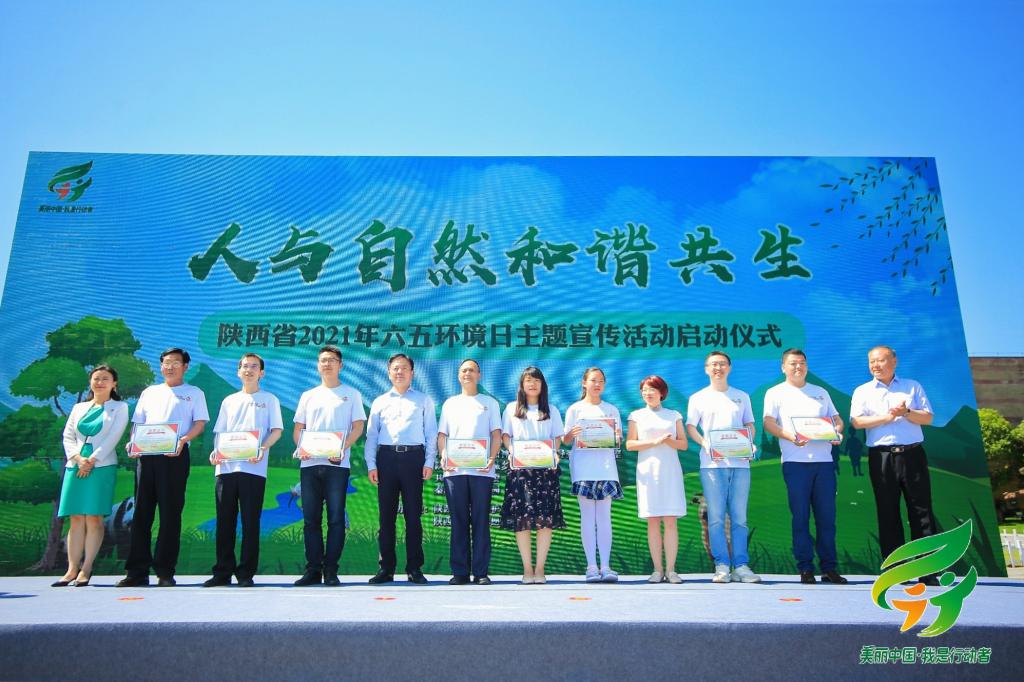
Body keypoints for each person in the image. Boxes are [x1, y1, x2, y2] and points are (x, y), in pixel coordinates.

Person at [118, 348, 209, 587]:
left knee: (170, 514)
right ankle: (137, 572)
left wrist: (183, 440)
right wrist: (132, 442)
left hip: (175, 456)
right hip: (146, 457)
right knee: (141, 513)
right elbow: (138, 424)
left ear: (185, 367)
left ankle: (165, 571)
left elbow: (199, 424)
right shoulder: (149, 392)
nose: (170, 367)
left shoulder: (194, 393)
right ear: (161, 366)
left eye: (175, 363)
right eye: (166, 362)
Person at [849, 345, 938, 585]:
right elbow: (857, 422)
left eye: (880, 360)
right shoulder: (863, 391)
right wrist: (887, 417)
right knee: (887, 512)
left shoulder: (912, 386)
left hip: (913, 454)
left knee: (921, 511)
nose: (875, 365)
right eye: (871, 361)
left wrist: (906, 412)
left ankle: (928, 570)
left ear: (894, 361)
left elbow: (928, 417)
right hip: (881, 457)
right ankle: (895, 570)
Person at [763, 348, 847, 585]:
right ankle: (805, 567)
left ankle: (829, 568)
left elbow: (837, 419)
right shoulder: (775, 393)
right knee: (800, 517)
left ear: (807, 366)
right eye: (792, 363)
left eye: (801, 362)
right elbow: (768, 422)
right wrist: (790, 436)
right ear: (783, 367)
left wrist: (837, 432)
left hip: (824, 464)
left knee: (826, 518)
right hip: (795, 463)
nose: (797, 367)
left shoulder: (820, 392)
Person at [203, 353, 283, 588]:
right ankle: (222, 572)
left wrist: (263, 448)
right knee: (224, 521)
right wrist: (216, 451)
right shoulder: (229, 400)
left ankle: (246, 573)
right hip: (225, 469)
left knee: (250, 522)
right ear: (238, 372)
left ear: (262, 373)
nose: (249, 370)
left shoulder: (269, 399)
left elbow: (276, 430)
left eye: (254, 366)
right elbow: (220, 432)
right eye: (245, 366)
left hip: (254, 469)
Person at [292, 345, 366, 587]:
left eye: (332, 360)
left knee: (335, 519)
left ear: (340, 365)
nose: (327, 364)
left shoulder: (351, 394)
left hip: (337, 465)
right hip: (309, 465)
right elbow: (298, 429)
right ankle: (313, 570)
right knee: (310, 520)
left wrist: (342, 448)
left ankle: (331, 570)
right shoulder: (308, 395)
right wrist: (302, 447)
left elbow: (358, 427)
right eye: (323, 360)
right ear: (318, 365)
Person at [686, 351, 761, 584]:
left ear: (729, 367)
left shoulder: (741, 396)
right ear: (706, 369)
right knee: (716, 518)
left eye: (722, 364)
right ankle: (721, 566)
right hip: (711, 465)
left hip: (740, 464)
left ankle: (741, 566)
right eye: (713, 364)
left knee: (739, 518)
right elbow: (691, 427)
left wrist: (749, 443)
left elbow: (750, 424)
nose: (718, 368)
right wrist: (704, 443)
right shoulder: (698, 398)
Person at [364, 353, 437, 585]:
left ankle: (414, 568)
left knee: (413, 517)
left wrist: (429, 462)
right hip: (386, 459)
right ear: (389, 373)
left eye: (404, 368)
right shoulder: (379, 401)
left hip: (414, 458)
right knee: (386, 518)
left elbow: (431, 433)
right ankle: (386, 569)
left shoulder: (423, 400)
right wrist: (371, 464)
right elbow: (371, 435)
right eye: (395, 368)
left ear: (412, 372)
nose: (399, 372)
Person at [53, 365, 129, 587]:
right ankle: (71, 569)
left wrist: (91, 461)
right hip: (75, 466)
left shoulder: (120, 408)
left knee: (94, 517)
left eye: (105, 379)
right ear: (90, 382)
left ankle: (86, 568)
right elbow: (68, 436)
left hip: (101, 466)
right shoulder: (79, 408)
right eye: (96, 378)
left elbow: (113, 437)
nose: (100, 382)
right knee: (76, 517)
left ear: (114, 383)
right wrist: (78, 459)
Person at [499, 366, 566, 585]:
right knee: (523, 520)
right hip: (520, 472)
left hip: (545, 472)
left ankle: (540, 568)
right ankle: (527, 569)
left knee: (545, 521)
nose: (532, 384)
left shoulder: (552, 410)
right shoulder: (511, 408)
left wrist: (554, 452)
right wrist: (512, 451)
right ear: (522, 385)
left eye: (536, 380)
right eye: (528, 380)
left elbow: (557, 438)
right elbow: (505, 436)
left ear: (542, 385)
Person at [437, 359, 501, 585]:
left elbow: (496, 435)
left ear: (479, 375)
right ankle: (460, 572)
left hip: (482, 471)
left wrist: (491, 459)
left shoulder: (489, 403)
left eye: (472, 370)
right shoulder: (450, 403)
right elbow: (442, 435)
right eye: (464, 370)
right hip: (454, 472)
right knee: (459, 521)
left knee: (481, 521)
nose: (468, 374)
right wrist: (444, 455)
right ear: (458, 375)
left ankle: (481, 572)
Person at [626, 375, 688, 584]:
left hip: (670, 472)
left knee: (670, 521)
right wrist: (655, 441)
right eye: (644, 390)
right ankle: (657, 570)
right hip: (647, 473)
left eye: (652, 389)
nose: (648, 393)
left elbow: (683, 444)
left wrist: (668, 442)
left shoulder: (673, 415)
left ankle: (671, 570)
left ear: (662, 392)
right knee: (652, 521)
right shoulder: (636, 415)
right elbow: (630, 444)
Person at [564, 367, 623, 583]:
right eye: (593, 380)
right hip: (583, 468)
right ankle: (591, 566)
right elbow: (565, 440)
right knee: (587, 518)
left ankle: (606, 566)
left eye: (601, 381)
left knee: (604, 517)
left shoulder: (611, 409)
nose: (597, 384)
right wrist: (572, 434)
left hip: (606, 468)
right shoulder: (575, 409)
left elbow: (618, 440)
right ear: (584, 383)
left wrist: (617, 436)